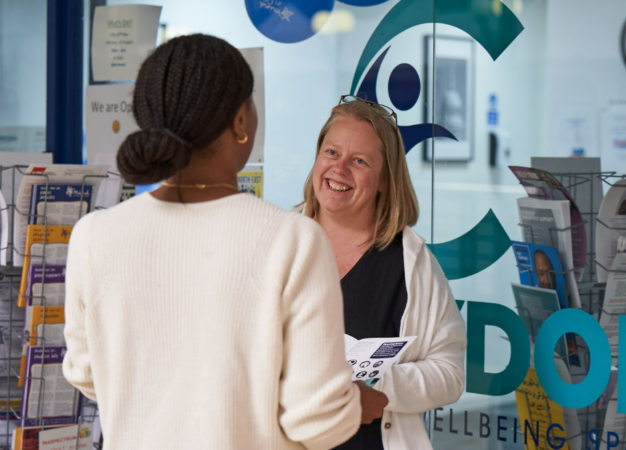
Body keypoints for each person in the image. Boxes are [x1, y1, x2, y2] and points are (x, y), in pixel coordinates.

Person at [62, 35, 387, 450]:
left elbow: (87, 373)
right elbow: (317, 421)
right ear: (240, 121)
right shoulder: (293, 239)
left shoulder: (93, 235)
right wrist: (355, 402)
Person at [299, 96, 467, 450]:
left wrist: (381, 389)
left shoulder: (411, 264)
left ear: (383, 181)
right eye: (331, 153)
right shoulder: (278, 245)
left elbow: (450, 374)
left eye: (359, 161)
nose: (339, 169)